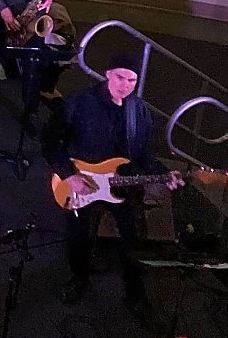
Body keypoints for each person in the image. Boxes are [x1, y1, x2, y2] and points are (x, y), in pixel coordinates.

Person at [47, 59, 182, 308]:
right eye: (120, 77)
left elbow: (143, 157)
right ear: (107, 73)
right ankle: (79, 277)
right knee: (78, 235)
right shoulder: (81, 101)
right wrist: (69, 175)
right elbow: (50, 139)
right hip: (81, 180)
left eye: (132, 80)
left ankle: (135, 294)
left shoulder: (139, 112)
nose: (125, 85)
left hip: (122, 184)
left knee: (133, 237)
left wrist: (163, 176)